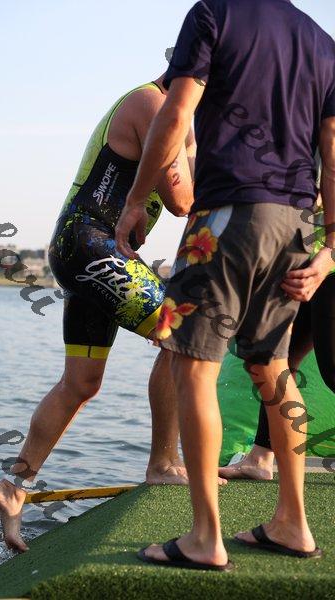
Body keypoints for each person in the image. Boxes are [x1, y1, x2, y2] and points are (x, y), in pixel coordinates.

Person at [116, 0, 335, 570]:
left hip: (226, 215)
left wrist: (136, 198)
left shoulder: (214, 13)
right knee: (273, 367)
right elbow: (333, 152)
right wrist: (331, 248)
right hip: (295, 225)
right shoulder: (322, 41)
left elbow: (175, 112)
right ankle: (292, 523)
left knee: (191, 365)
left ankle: (204, 538)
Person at [0, 74, 218, 553]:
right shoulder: (153, 105)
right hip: (93, 245)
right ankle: (162, 463)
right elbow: (182, 201)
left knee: (81, 383)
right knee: (184, 332)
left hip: (86, 248)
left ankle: (14, 487)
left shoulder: (178, 116)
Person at [220, 210, 335, 481]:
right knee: (277, 361)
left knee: (331, 370)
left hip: (325, 269)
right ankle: (260, 457)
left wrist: (328, 252)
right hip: (309, 268)